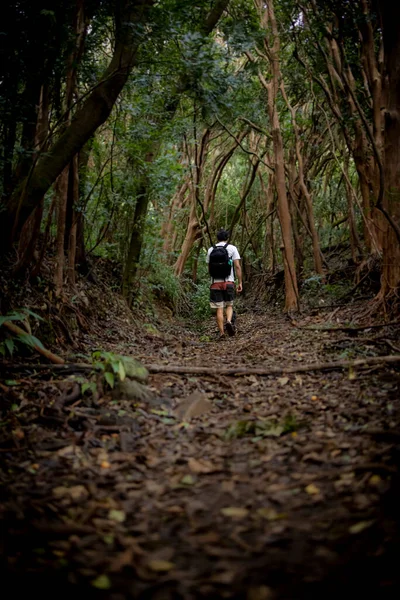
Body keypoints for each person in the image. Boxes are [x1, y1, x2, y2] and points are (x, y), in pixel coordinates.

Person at [206, 228, 243, 339]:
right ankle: (228, 321)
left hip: (215, 283)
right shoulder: (232, 248)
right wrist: (240, 282)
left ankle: (222, 333)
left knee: (219, 308)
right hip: (229, 282)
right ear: (227, 238)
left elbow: (209, 268)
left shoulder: (210, 250)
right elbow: (237, 266)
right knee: (229, 305)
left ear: (217, 238)